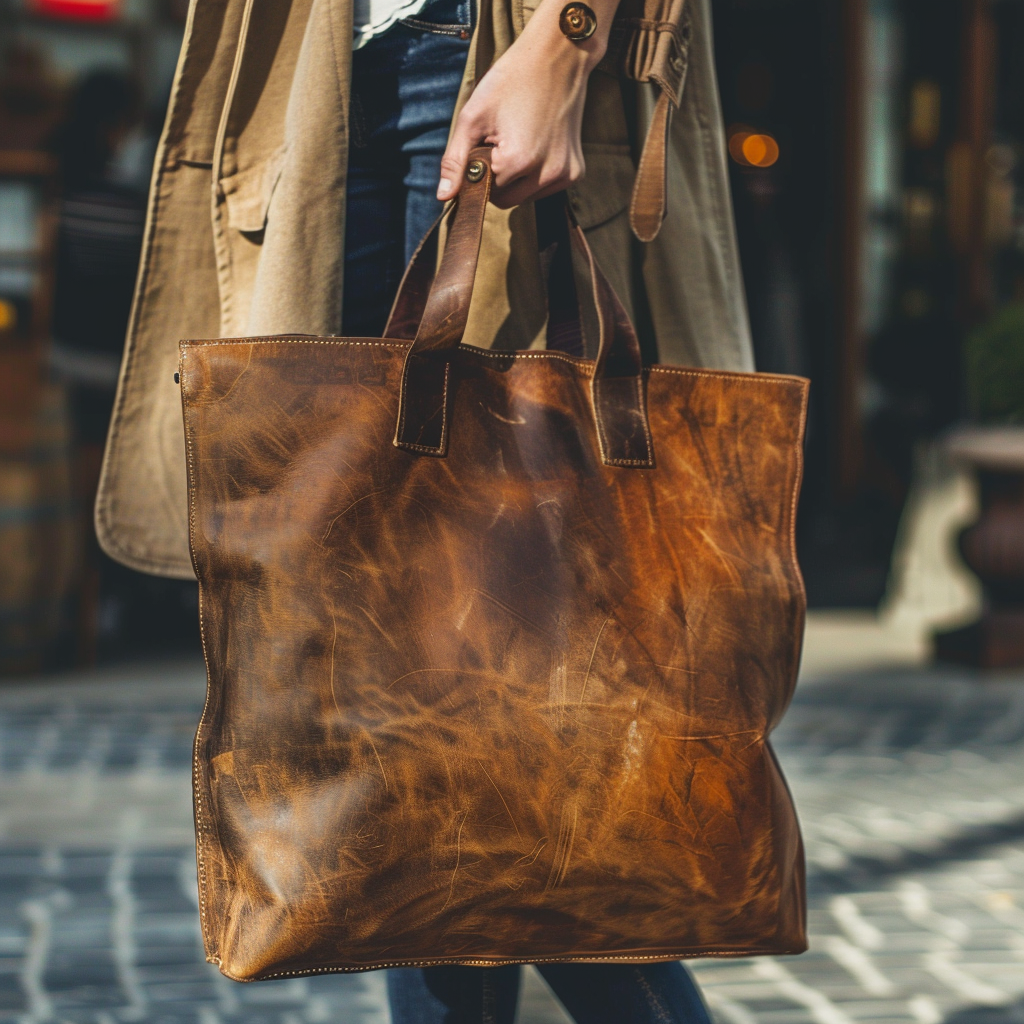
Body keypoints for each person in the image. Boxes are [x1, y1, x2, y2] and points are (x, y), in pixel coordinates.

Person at [94, 0, 756, 1017]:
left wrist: (566, 39)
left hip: (486, 56)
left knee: (491, 716)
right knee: (406, 704)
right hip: (308, 92)